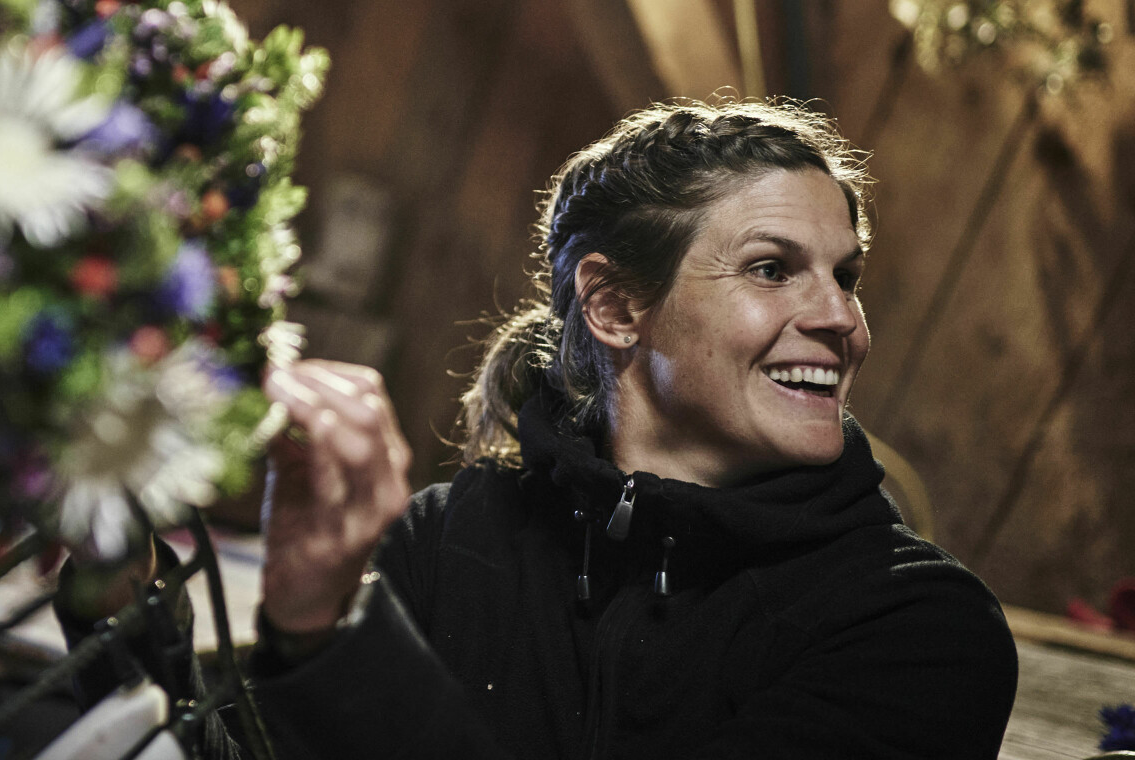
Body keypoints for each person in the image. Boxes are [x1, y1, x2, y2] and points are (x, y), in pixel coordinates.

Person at [57, 99, 1018, 759]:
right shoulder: (447, 540)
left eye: (843, 275)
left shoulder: (919, 628)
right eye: (774, 269)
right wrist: (118, 597)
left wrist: (336, 638)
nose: (843, 320)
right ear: (611, 304)